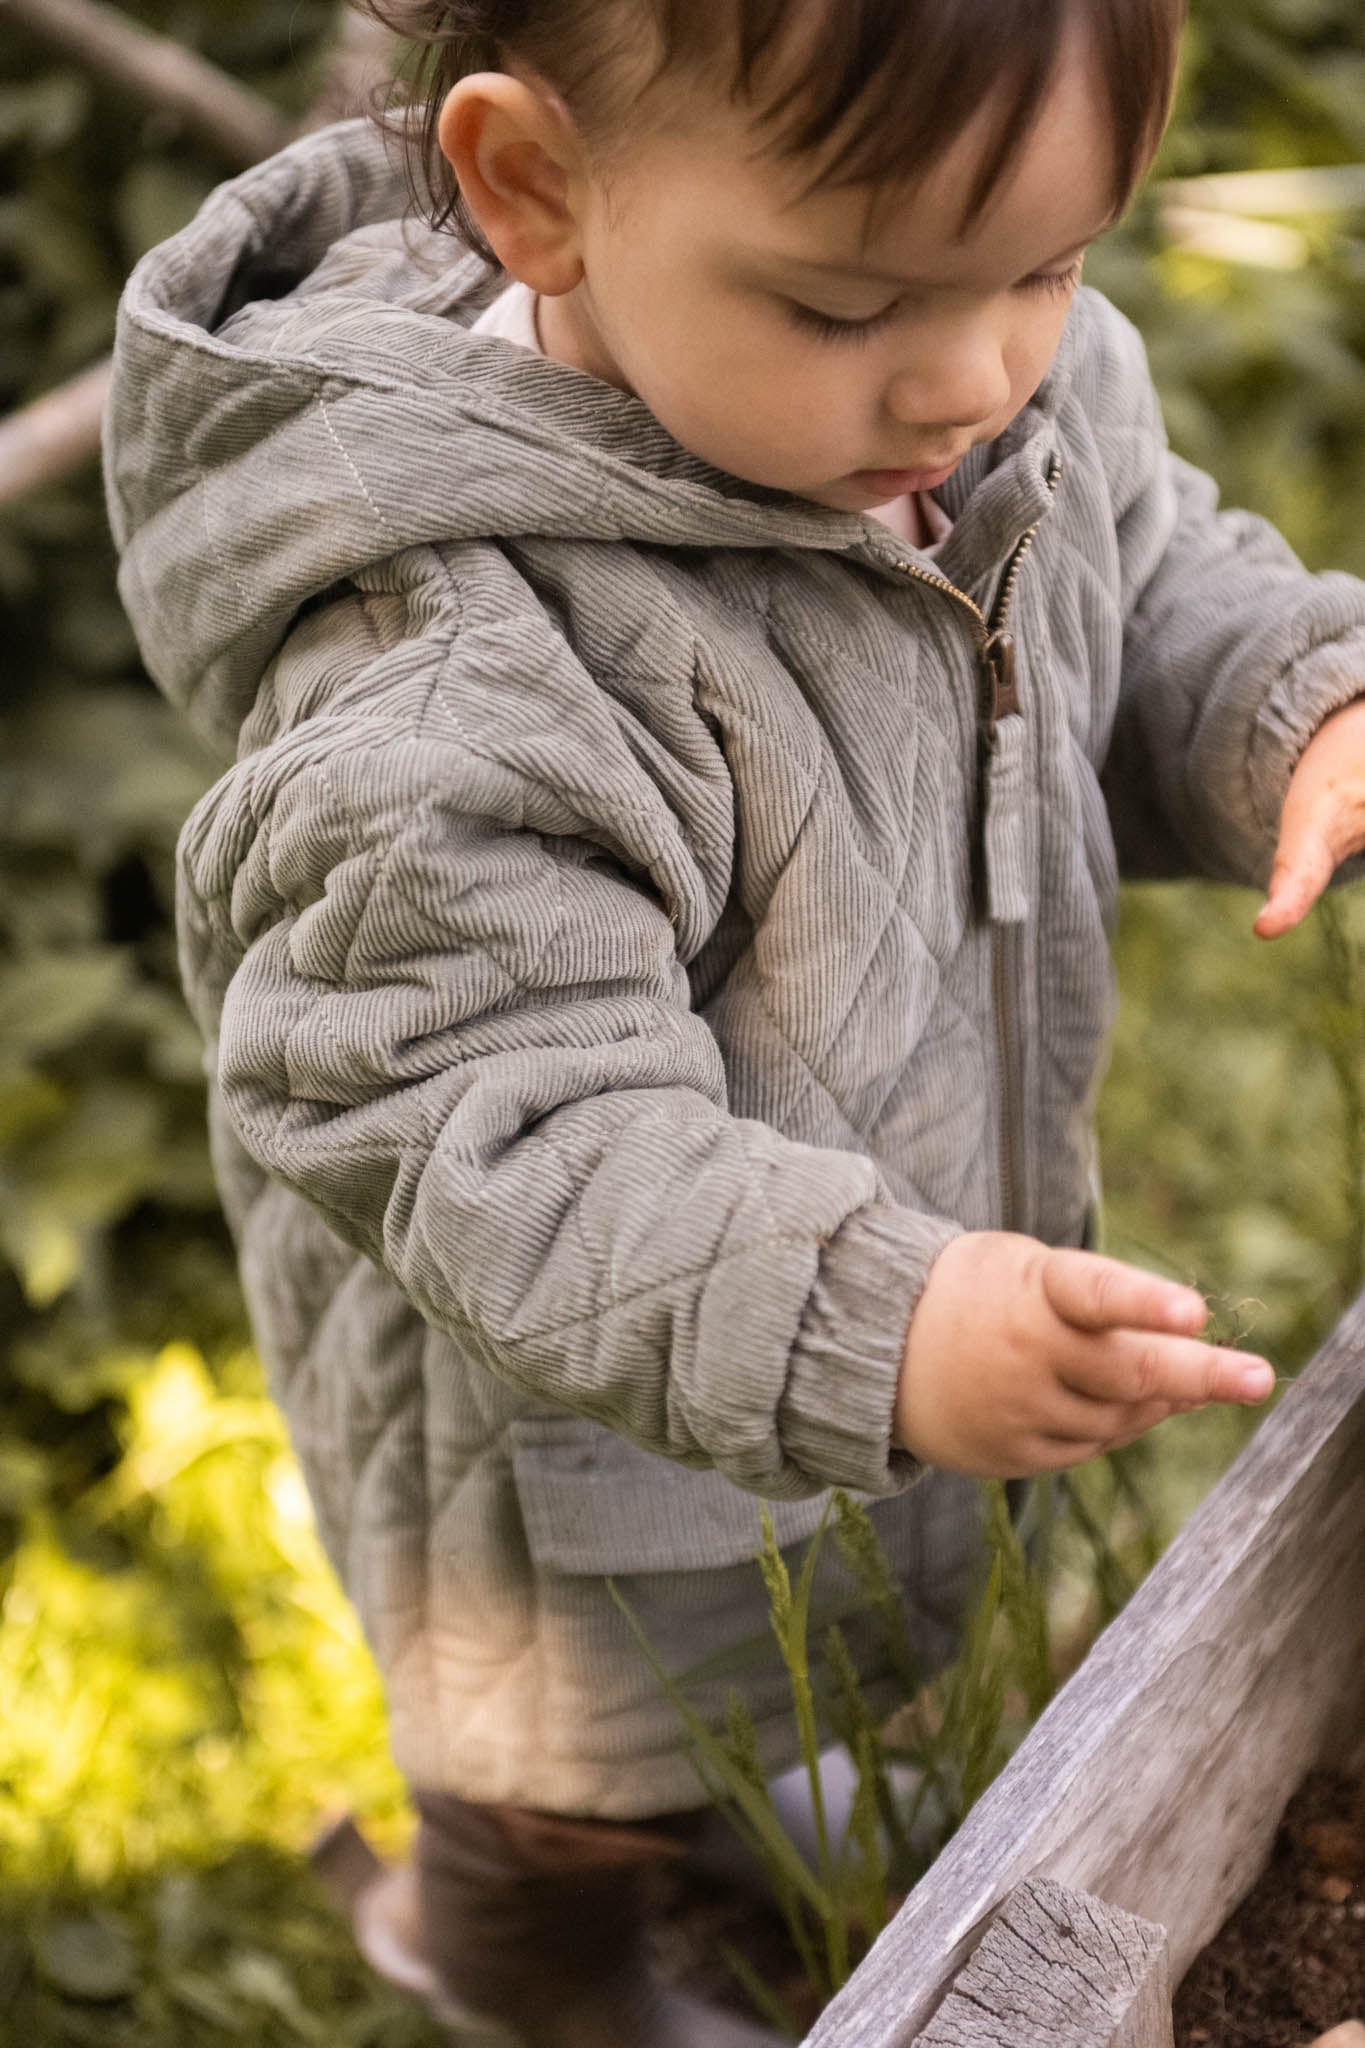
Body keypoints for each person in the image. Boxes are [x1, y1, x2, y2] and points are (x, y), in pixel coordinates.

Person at [102, 0, 1365, 2039]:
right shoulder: (466, 682)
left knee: (762, 1659)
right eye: (846, 295)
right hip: (567, 1451)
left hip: (838, 1287)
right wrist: (888, 1319)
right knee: (573, 1771)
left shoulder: (952, 403)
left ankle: (721, 1804)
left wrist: (1292, 701)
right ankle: (514, 1961)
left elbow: (1138, 588)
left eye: (1044, 266)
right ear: (535, 193)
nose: (974, 373)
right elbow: (506, 1129)